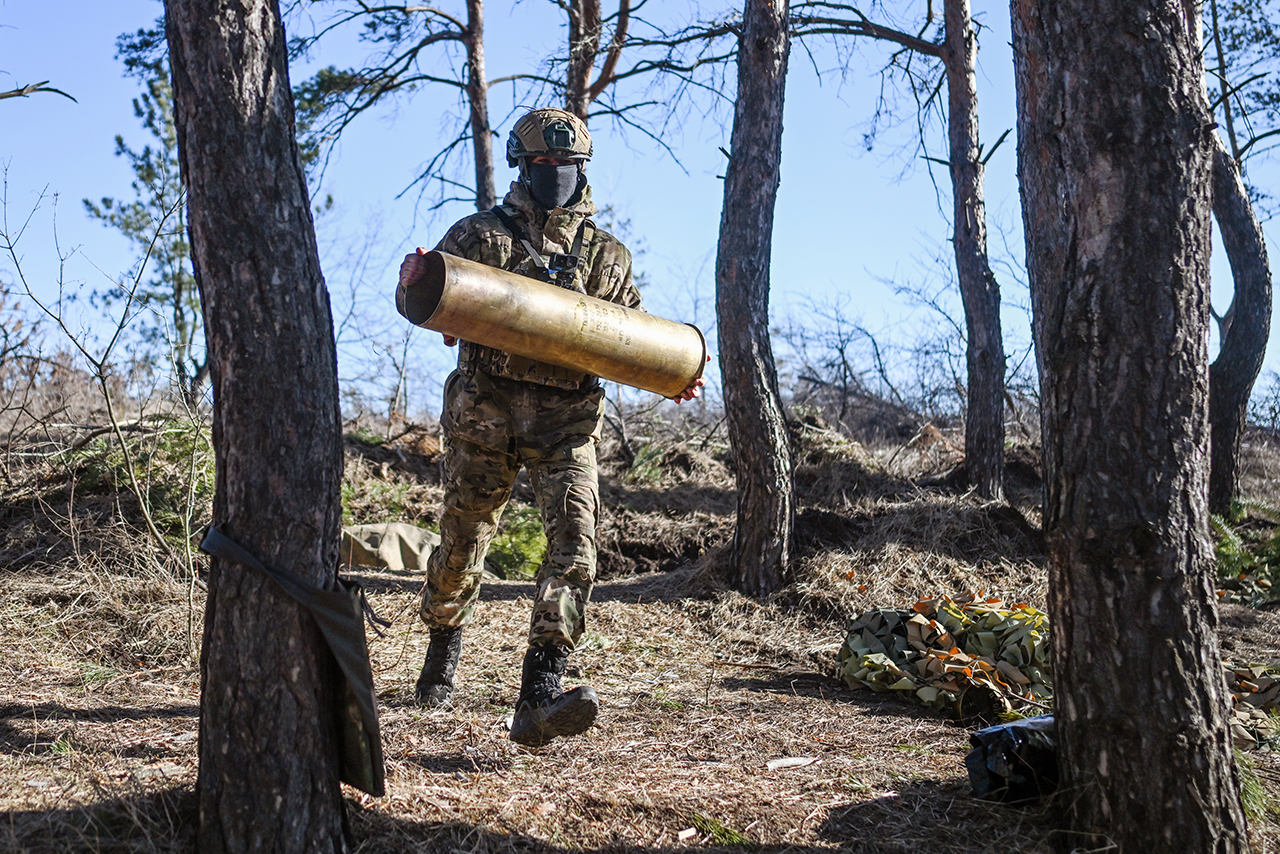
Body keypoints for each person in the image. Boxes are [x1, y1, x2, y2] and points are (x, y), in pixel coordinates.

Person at [397, 107, 704, 747]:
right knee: (463, 541)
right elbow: (429, 306)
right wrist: (416, 283)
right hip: (488, 414)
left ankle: (540, 689)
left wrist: (675, 372)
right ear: (524, 167)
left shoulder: (608, 256)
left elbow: (633, 339)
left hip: (567, 424)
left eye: (568, 167)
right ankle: (441, 655)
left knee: (577, 545)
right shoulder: (481, 237)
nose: (557, 175)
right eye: (545, 165)